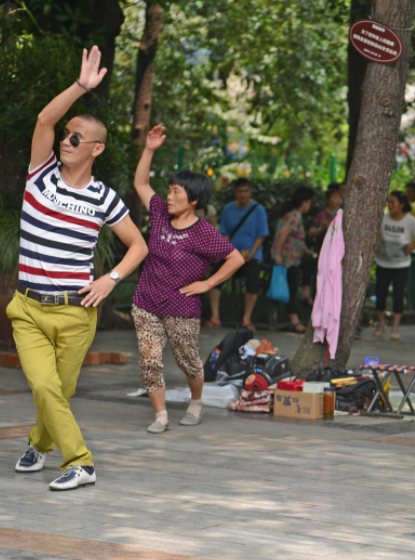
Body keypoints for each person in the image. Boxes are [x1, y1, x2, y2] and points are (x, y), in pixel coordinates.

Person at [10, 47, 148, 490]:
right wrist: (80, 87)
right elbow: (43, 122)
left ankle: (37, 444)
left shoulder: (104, 197)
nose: (65, 141)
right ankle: (81, 462)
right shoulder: (40, 174)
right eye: (66, 135)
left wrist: (111, 279)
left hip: (75, 313)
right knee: (45, 387)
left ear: (96, 149)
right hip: (28, 309)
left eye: (76, 138)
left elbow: (138, 245)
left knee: (60, 393)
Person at [132, 126, 244, 433]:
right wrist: (150, 149)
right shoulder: (158, 213)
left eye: (175, 192)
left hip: (182, 307)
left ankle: (196, 401)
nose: (168, 196)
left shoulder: (204, 233)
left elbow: (236, 258)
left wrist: (208, 284)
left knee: (189, 361)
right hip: (147, 302)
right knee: (149, 360)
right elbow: (141, 183)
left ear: (193, 200)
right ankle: (160, 416)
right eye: (168, 190)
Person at [206, 177, 269, 330]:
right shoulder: (228, 209)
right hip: (230, 254)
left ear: (250, 192)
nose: (243, 195)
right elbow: (225, 233)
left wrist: (251, 253)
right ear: (235, 193)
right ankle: (215, 317)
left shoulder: (258, 209)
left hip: (252, 255)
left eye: (246, 191)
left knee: (253, 283)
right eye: (240, 191)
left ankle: (246, 319)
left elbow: (262, 235)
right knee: (214, 279)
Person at [373, 191, 415, 341]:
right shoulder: (383, 219)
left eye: (393, 202)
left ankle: (395, 327)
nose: (389, 205)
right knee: (380, 294)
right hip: (383, 263)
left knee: (398, 295)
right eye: (388, 203)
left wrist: (411, 246)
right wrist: (377, 246)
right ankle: (380, 323)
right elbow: (376, 237)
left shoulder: (410, 221)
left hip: (401, 265)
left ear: (402, 205)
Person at [272, 187, 315, 333]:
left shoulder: (293, 214)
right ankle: (294, 320)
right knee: (291, 287)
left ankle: (306, 293)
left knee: (309, 261)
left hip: (293, 258)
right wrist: (277, 254)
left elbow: (297, 238)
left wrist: (306, 250)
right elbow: (283, 234)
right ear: (305, 202)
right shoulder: (295, 215)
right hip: (286, 259)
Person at [304, 183, 344, 304]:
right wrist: (322, 230)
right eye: (334, 198)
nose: (337, 201)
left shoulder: (343, 214)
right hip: (323, 254)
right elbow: (311, 232)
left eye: (339, 198)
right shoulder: (322, 215)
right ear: (328, 200)